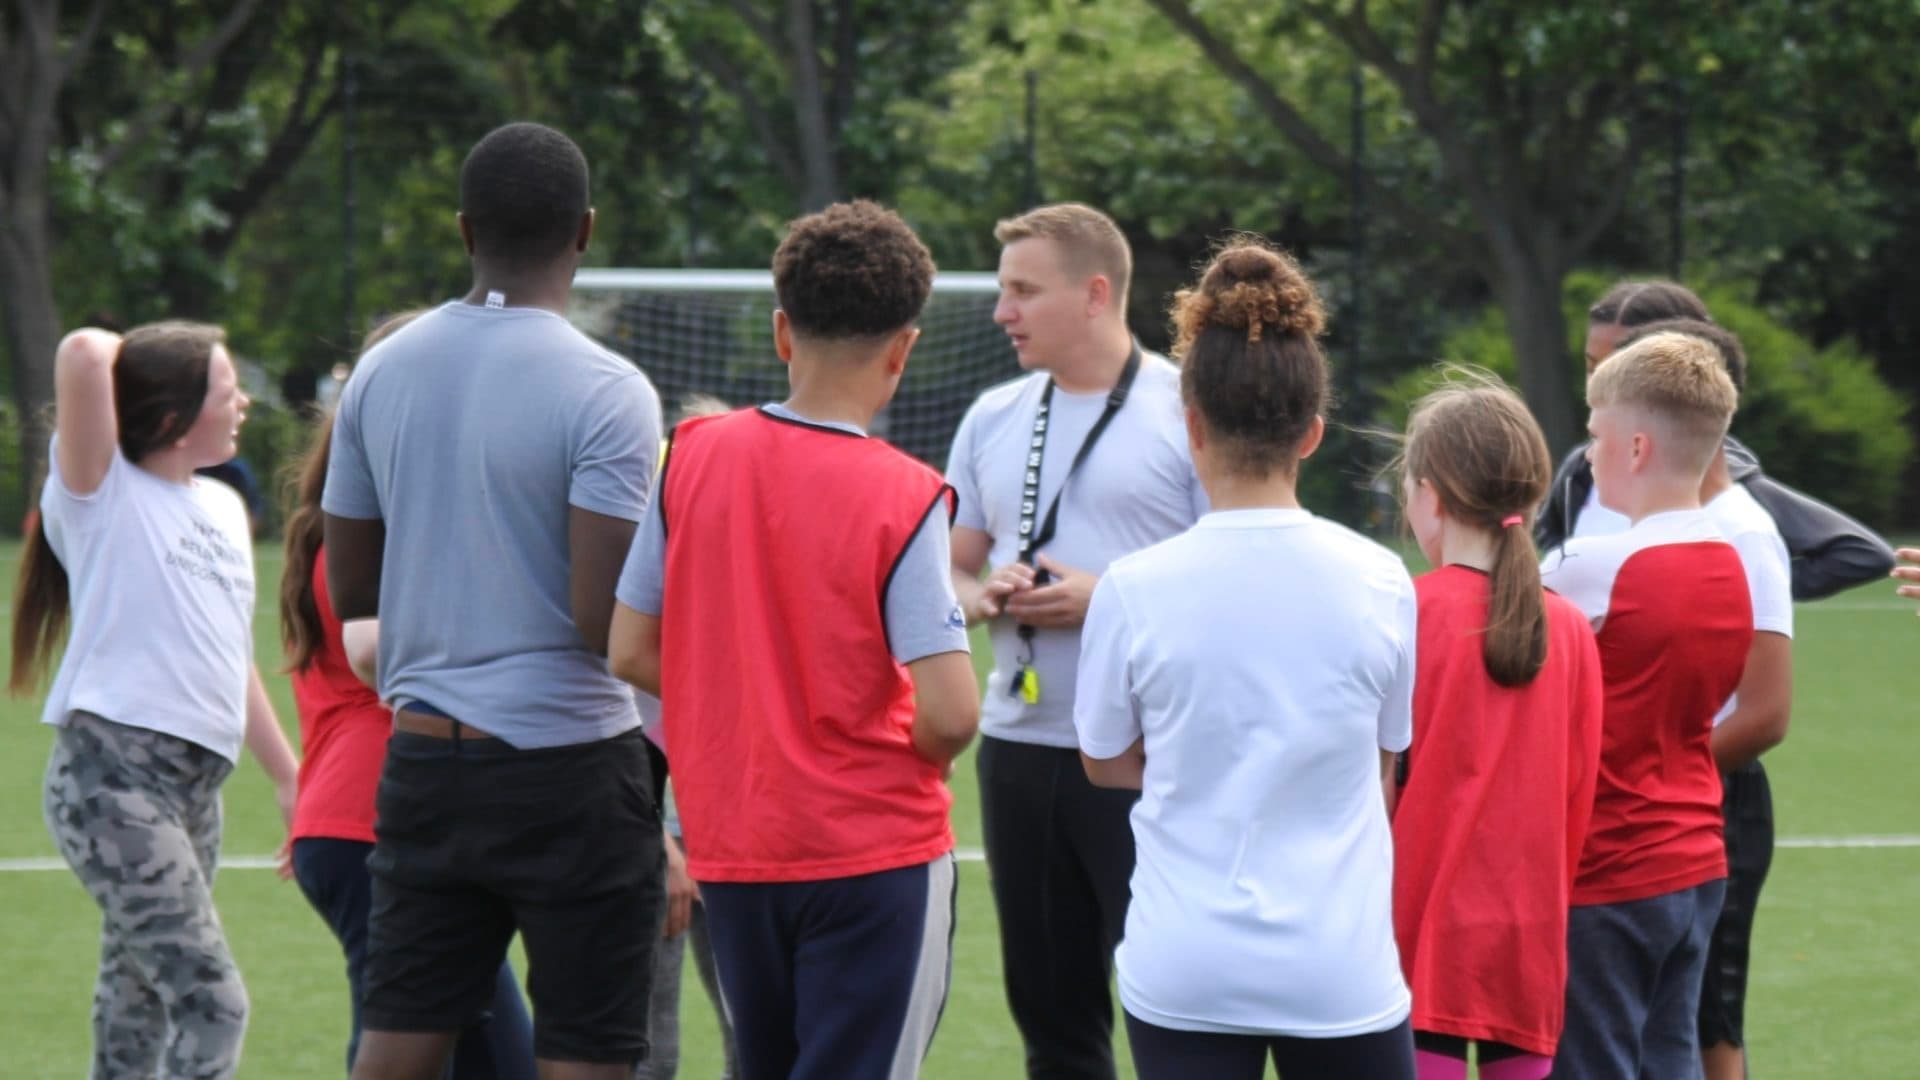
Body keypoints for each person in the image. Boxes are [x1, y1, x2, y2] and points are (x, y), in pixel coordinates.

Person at [322, 121, 666, 1080]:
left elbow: (352, 590)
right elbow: (602, 622)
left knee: (397, 1041)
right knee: (587, 1052)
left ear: (465, 230)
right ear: (586, 230)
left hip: (426, 759)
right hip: (571, 770)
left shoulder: (381, 371)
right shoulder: (609, 390)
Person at [608, 199, 980, 1080]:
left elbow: (627, 649)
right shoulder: (907, 493)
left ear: (782, 330)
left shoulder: (689, 455)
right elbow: (954, 712)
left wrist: (739, 713)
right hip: (871, 852)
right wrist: (909, 749)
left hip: (737, 848)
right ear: (904, 348)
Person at [1073, 239, 1415, 1080]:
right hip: (1339, 969)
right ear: (1313, 434)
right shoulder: (1382, 578)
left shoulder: (1132, 586)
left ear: (1191, 425)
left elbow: (1104, 760)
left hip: (1186, 963)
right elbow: (1383, 754)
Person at [947, 202, 1206, 1080]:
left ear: (1096, 294)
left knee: (1175, 1014)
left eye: (1023, 291)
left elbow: (1229, 577)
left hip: (1150, 758)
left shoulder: (1190, 410)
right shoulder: (991, 414)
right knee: (1053, 1025)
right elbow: (952, 568)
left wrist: (1110, 597)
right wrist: (982, 597)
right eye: (1002, 290)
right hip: (1020, 748)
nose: (1001, 311)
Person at [11, 322, 301, 1079]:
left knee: (135, 994)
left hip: (196, 789)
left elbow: (229, 658)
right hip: (113, 781)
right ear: (173, 415)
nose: (242, 401)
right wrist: (166, 352)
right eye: (226, 385)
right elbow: (81, 351)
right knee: (214, 1000)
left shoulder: (224, 509)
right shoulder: (101, 489)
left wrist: (286, 773)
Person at [280, 313, 537, 1080]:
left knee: (491, 1058)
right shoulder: (369, 529)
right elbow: (376, 659)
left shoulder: (353, 519)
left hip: (369, 824)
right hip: (376, 826)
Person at [1540, 332, 1753, 1079]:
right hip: (1695, 857)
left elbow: (1483, 617)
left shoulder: (1594, 565)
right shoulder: (1730, 557)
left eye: (1595, 435)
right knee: (1671, 1062)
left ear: (1634, 448)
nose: (1588, 454)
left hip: (1609, 865)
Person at [1391, 375, 1605, 1080]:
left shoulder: (1405, 613)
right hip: (1529, 946)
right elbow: (1577, 799)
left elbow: (1374, 788)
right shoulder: (1572, 629)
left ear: (1431, 496)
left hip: (1415, 941)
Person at [1537, 281, 1893, 599]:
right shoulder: (1580, 470)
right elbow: (1550, 545)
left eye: (1622, 365)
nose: (1600, 382)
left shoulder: (1739, 507)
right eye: (1592, 366)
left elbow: (1864, 553)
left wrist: (1745, 589)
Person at [633, 393, 738, 1080]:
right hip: (648, 829)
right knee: (646, 1044)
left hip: (739, 837)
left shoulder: (748, 582)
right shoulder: (632, 595)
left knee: (757, 1032)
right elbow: (609, 716)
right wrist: (657, 838)